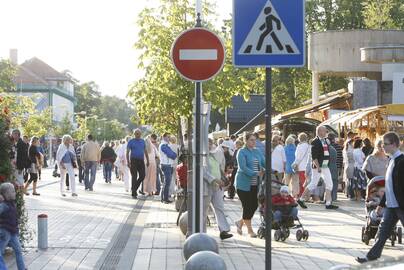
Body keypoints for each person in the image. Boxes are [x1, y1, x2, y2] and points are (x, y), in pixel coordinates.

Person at [356, 132, 404, 263]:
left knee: (383, 231)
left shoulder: (401, 161)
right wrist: (381, 205)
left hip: (401, 205)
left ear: (394, 144)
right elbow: (389, 186)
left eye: (385, 144)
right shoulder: (391, 160)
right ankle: (371, 257)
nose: (383, 147)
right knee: (382, 232)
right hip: (391, 205)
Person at [297, 126, 338, 210]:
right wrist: (318, 167)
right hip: (319, 166)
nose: (326, 133)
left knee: (326, 183)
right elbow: (314, 156)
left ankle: (328, 203)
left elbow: (326, 152)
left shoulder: (325, 141)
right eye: (324, 131)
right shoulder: (315, 142)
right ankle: (302, 199)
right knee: (316, 183)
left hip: (325, 165)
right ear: (319, 132)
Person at [235, 133, 265, 238]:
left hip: (255, 184)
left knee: (254, 205)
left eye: (254, 140)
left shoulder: (257, 151)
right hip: (243, 184)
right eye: (251, 140)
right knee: (247, 206)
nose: (254, 142)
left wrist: (271, 168)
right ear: (246, 141)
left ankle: (240, 222)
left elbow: (264, 162)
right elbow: (243, 167)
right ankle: (250, 230)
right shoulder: (241, 152)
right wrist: (255, 173)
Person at [203, 139, 233, 240]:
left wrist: (221, 179)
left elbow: (219, 169)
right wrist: (214, 179)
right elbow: (203, 172)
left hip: (217, 186)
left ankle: (223, 230)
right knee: (204, 209)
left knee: (219, 207)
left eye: (211, 144)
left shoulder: (214, 155)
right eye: (208, 143)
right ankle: (202, 233)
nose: (210, 146)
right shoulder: (202, 156)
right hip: (206, 186)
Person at [0, 183, 26, 270]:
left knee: (18, 251)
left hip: (12, 232)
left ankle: (22, 268)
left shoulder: (12, 203)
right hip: (5, 232)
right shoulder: (4, 205)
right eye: (13, 191)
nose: (15, 193)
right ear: (7, 194)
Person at [127, 129, 149, 199]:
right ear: (134, 134)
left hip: (141, 160)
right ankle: (134, 193)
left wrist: (148, 160)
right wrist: (128, 162)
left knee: (142, 175)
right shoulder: (131, 141)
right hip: (133, 160)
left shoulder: (142, 141)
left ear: (141, 134)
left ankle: (134, 188)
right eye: (136, 133)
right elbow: (127, 152)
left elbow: (145, 151)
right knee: (134, 176)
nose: (138, 135)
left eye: (139, 133)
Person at [159, 133, 177, 203]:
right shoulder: (163, 145)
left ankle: (163, 198)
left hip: (168, 165)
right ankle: (165, 199)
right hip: (166, 165)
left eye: (169, 137)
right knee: (167, 182)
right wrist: (174, 155)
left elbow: (173, 154)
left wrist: (173, 154)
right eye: (168, 137)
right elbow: (171, 155)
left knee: (166, 182)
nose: (169, 138)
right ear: (164, 137)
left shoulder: (166, 145)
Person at [293, 132, 310, 197]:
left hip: (301, 166)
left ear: (299, 139)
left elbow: (297, 157)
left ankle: (303, 195)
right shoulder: (309, 146)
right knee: (307, 181)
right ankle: (307, 195)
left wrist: (295, 164)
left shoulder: (299, 146)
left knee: (302, 182)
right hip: (308, 167)